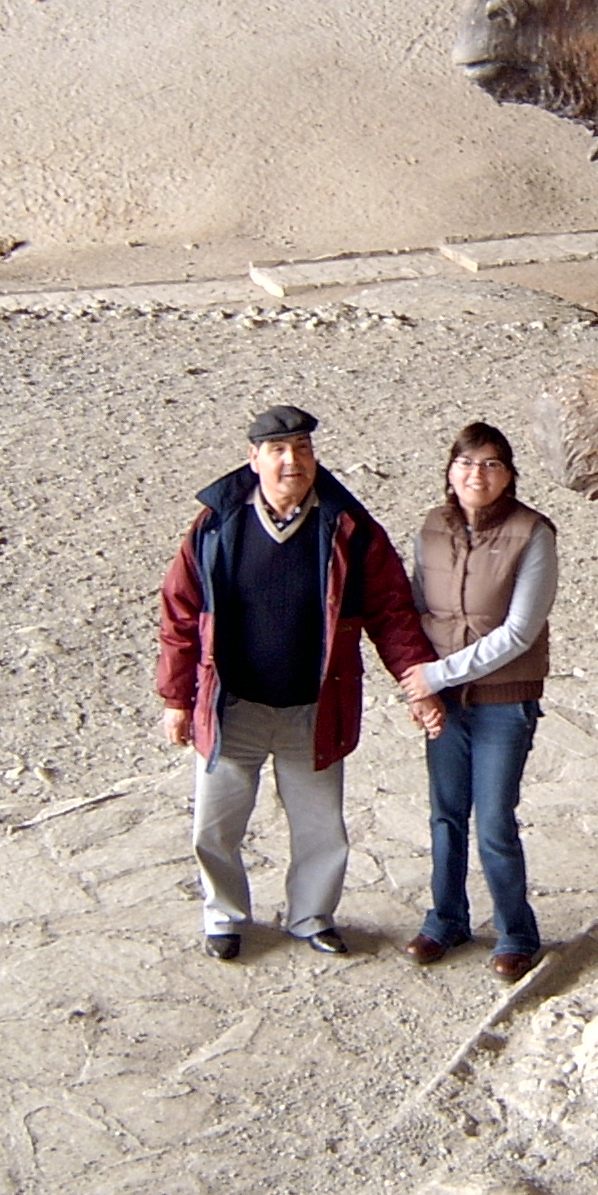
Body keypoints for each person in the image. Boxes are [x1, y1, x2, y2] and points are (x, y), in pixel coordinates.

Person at [157, 404, 442, 961]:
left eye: (303, 449)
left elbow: (391, 612)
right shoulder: (216, 524)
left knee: (321, 828)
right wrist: (176, 698)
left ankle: (311, 915)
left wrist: (417, 682)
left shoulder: (348, 527)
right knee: (215, 826)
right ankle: (224, 916)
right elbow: (181, 612)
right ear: (254, 458)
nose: (293, 461)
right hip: (231, 705)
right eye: (279, 450)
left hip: (314, 706)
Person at [399, 421, 558, 983]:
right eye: (467, 463)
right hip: (443, 699)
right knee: (445, 814)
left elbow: (519, 631)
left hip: (502, 702)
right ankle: (446, 919)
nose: (477, 475)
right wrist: (421, 690)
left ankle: (516, 932)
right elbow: (416, 610)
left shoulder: (533, 533)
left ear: (509, 475)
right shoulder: (431, 527)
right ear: (450, 470)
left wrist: (437, 675)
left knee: (493, 820)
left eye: (491, 464)